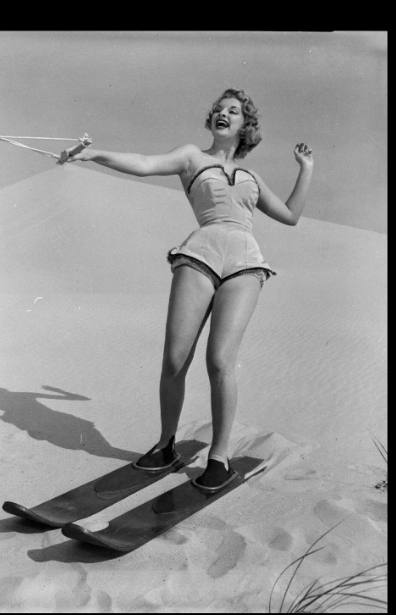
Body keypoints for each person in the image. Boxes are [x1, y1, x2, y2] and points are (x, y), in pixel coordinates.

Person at [58, 88, 313, 493]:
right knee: (175, 359)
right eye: (218, 109)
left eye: (233, 111)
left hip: (245, 262)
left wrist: (306, 168)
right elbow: (144, 164)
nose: (223, 114)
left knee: (219, 360)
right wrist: (94, 155)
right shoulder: (192, 156)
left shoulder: (253, 177)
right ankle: (165, 446)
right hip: (200, 254)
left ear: (245, 126)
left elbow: (292, 216)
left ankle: (219, 457)